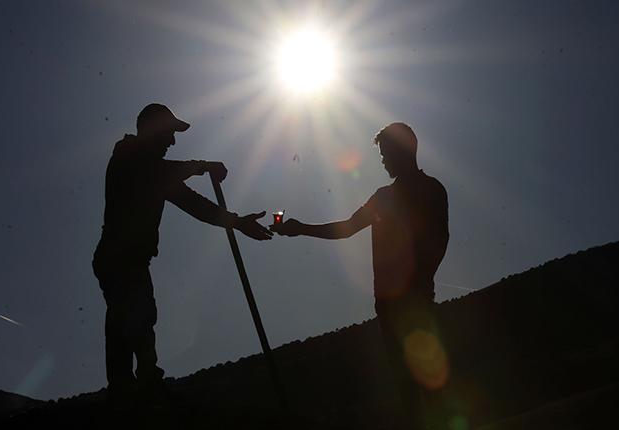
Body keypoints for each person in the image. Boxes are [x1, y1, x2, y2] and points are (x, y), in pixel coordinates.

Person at [92, 103, 273, 407]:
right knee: (135, 319)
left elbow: (195, 204)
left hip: (128, 259)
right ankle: (140, 390)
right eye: (169, 134)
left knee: (130, 321)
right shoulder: (128, 157)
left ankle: (132, 391)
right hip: (119, 258)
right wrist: (202, 166)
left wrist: (237, 222)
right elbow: (160, 173)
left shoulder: (152, 170)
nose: (172, 142)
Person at [271, 122, 449, 428]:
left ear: (403, 151)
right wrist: (300, 229)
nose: (383, 161)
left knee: (424, 382)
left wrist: (420, 281)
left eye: (385, 154)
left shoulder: (425, 191)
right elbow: (348, 228)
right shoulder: (395, 195)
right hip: (393, 305)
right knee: (411, 385)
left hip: (412, 302)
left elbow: (440, 239)